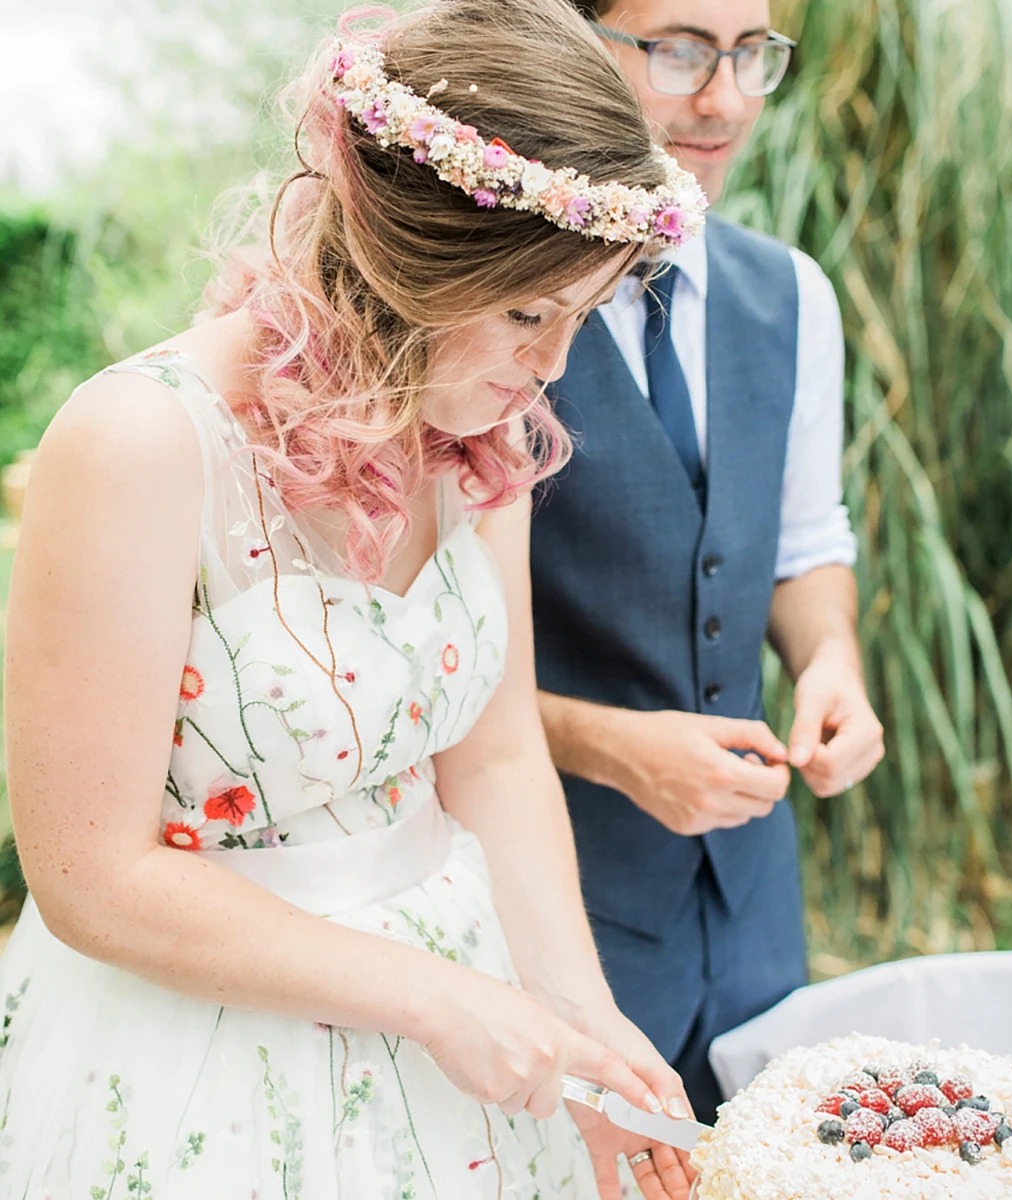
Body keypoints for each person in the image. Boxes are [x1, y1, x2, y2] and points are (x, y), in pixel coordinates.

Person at [0, 3, 709, 1197]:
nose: (551, 368)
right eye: (527, 313)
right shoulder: (138, 444)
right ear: (404, 258)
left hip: (469, 1030)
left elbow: (492, 761)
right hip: (212, 1054)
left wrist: (585, 1031)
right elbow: (85, 876)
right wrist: (434, 1001)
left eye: (581, 317)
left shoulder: (488, 439)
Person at [532, 0, 886, 1124]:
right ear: (577, 37)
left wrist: (831, 661)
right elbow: (415, 651)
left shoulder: (794, 295)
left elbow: (802, 540)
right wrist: (608, 745)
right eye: (680, 49)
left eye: (752, 54)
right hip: (549, 906)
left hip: (753, 904)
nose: (725, 100)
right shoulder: (492, 301)